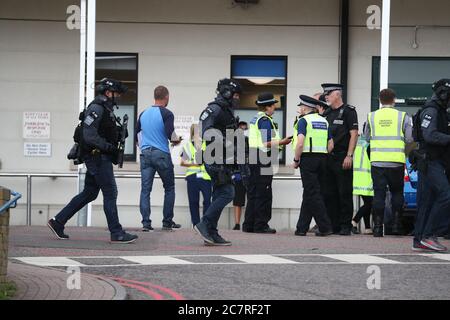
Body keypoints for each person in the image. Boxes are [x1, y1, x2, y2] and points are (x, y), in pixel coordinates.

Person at [47, 78, 138, 243]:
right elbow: (89, 136)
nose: (117, 97)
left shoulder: (105, 109)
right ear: (107, 93)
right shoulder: (96, 108)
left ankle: (58, 221)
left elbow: (103, 131)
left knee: (89, 193)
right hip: (98, 158)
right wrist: (108, 147)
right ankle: (116, 233)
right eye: (115, 94)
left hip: (99, 157)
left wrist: (118, 134)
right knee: (110, 192)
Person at [194, 78, 242, 246]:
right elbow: (207, 132)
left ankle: (211, 233)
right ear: (227, 93)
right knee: (228, 193)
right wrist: (227, 144)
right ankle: (205, 224)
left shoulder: (226, 110)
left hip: (224, 159)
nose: (237, 98)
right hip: (215, 158)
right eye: (235, 95)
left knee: (219, 193)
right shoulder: (214, 109)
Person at [364, 88, 413, 237]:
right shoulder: (403, 116)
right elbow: (410, 139)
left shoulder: (371, 116)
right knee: (397, 192)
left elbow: (366, 138)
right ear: (394, 100)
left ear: (380, 100)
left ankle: (378, 227)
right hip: (396, 162)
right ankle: (397, 225)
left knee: (378, 194)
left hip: (377, 162)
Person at [243, 92, 292, 234]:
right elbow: (266, 142)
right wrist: (283, 141)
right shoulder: (265, 120)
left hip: (253, 157)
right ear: (267, 107)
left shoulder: (254, 118)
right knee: (263, 192)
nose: (274, 108)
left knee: (253, 192)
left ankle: (249, 224)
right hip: (263, 158)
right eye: (273, 106)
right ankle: (261, 225)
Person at [136, 85, 182, 232]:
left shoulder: (143, 114)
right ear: (166, 97)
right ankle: (167, 222)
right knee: (169, 188)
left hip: (145, 154)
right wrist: (177, 141)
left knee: (145, 190)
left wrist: (144, 148)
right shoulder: (167, 114)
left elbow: (137, 136)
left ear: (155, 96)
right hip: (161, 153)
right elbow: (170, 134)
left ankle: (146, 223)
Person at [413, 79, 450, 252]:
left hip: (432, 161)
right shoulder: (432, 110)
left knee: (427, 201)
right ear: (443, 93)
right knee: (445, 194)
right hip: (429, 161)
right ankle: (428, 235)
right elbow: (430, 135)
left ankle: (420, 239)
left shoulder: (440, 110)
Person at [293, 95, 333, 236]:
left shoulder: (303, 121)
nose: (299, 109)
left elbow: (300, 143)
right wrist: (322, 153)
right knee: (311, 193)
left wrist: (296, 159)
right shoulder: (324, 121)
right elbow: (330, 144)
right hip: (322, 159)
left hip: (308, 159)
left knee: (313, 193)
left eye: (300, 107)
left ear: (305, 107)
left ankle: (325, 227)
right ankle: (301, 228)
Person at [322, 83, 359, 235]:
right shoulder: (327, 113)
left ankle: (345, 226)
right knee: (329, 193)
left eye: (328, 94)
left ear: (337, 94)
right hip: (328, 159)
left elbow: (354, 134)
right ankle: (333, 224)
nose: (326, 97)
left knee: (344, 193)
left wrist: (349, 155)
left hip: (343, 157)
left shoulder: (349, 112)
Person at [180, 124, 212, 227]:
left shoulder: (207, 145)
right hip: (192, 176)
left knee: (207, 201)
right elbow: (182, 162)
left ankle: (205, 223)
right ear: (193, 133)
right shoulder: (188, 145)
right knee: (193, 202)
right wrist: (195, 163)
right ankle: (196, 224)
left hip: (206, 176)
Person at [352, 136, 374, 235]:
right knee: (370, 203)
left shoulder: (358, 143)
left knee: (367, 203)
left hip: (357, 177)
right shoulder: (370, 144)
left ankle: (367, 227)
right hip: (367, 177)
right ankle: (354, 221)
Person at [232, 121, 248, 230]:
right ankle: (237, 224)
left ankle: (248, 221)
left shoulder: (250, 141)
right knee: (238, 200)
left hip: (249, 173)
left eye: (244, 130)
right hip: (238, 175)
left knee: (252, 199)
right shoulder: (233, 144)